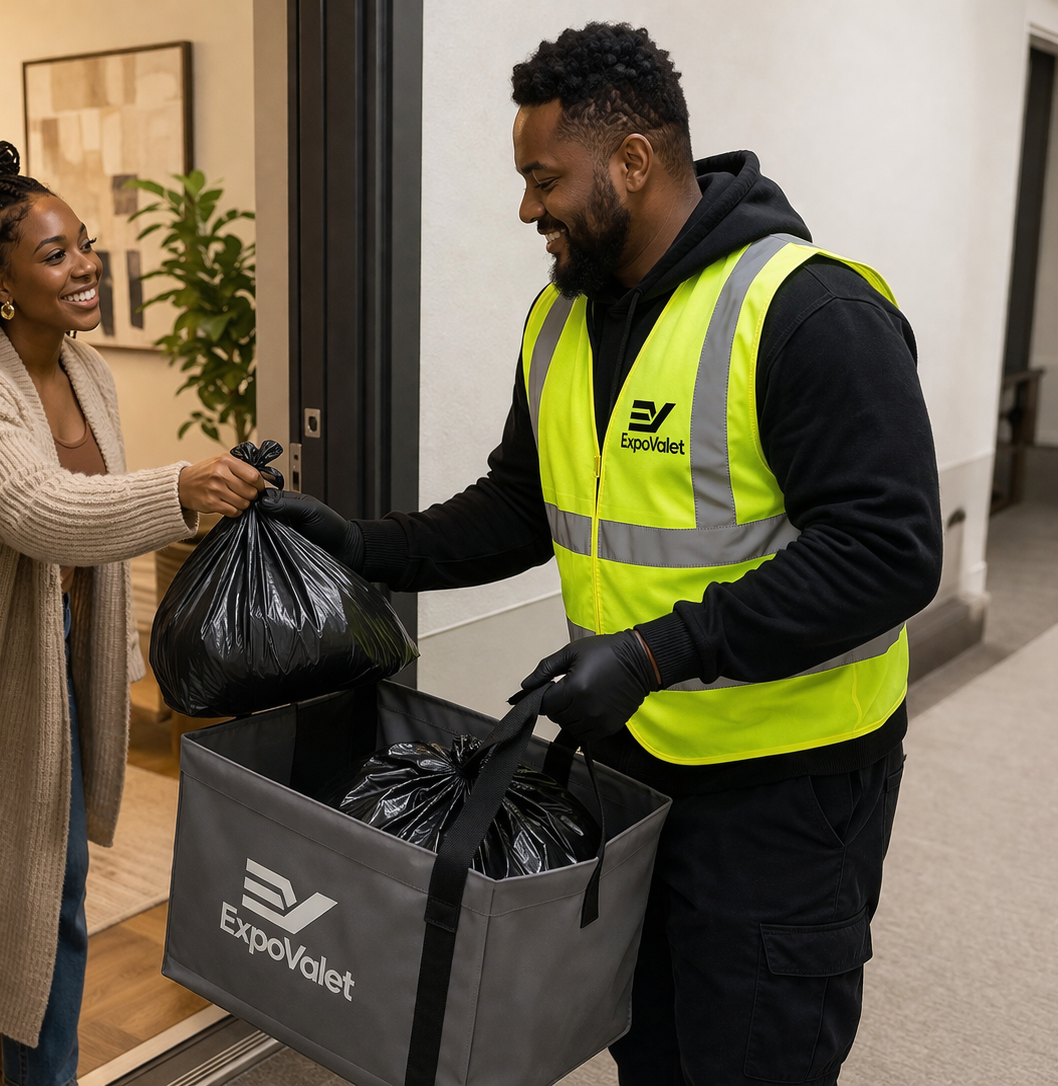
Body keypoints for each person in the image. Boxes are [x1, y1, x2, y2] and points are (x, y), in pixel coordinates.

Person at [261, 23, 941, 1086]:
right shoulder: (559, 321)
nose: (527, 207)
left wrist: (657, 651)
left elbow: (888, 552)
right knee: (649, 1042)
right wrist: (360, 543)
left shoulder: (809, 311)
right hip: (629, 776)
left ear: (631, 161)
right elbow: (518, 508)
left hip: (784, 790)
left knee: (754, 1052)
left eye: (544, 178)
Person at [0, 129, 262, 1086]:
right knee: (36, 899)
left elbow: (86, 530)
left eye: (82, 242)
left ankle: (7, 1052)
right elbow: (41, 512)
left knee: (42, 888)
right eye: (55, 253)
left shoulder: (90, 372)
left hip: (67, 650)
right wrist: (184, 486)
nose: (85, 265)